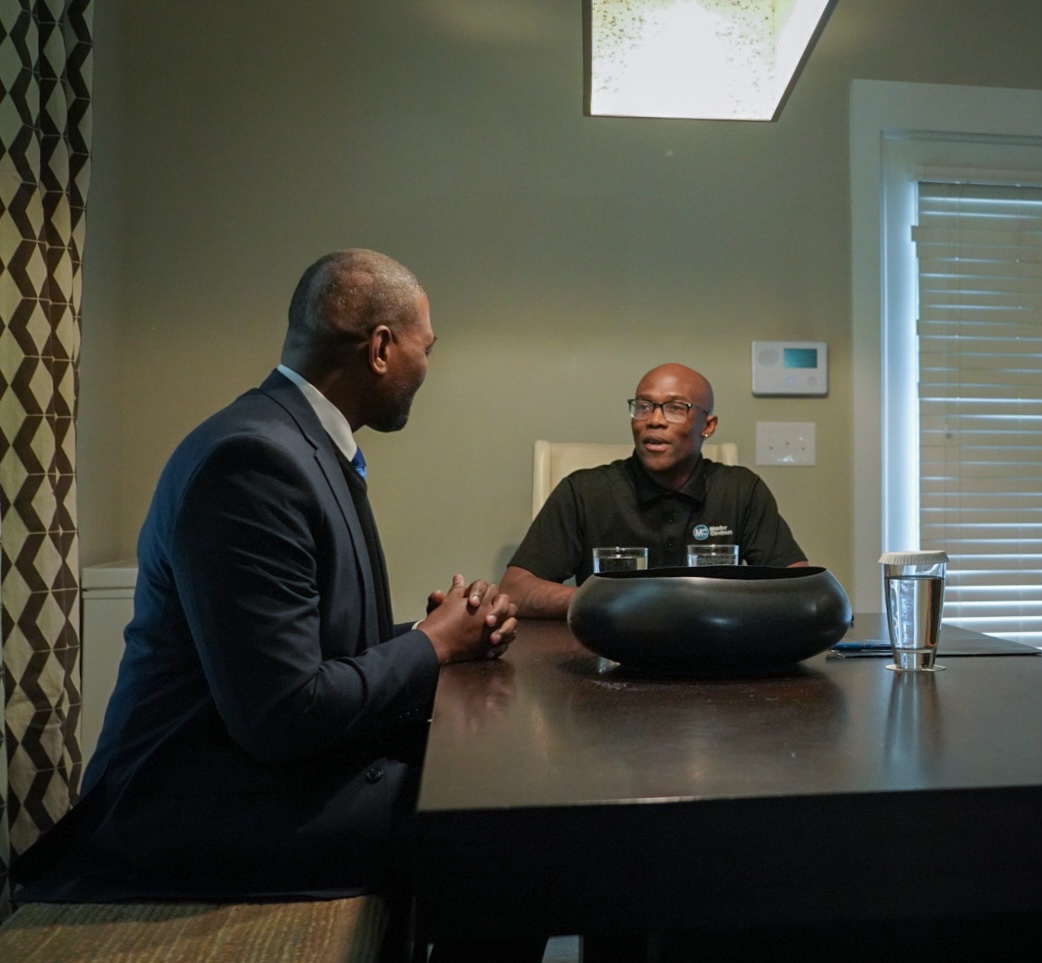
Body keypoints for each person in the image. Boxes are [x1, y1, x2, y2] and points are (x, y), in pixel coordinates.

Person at [13, 249, 518, 902]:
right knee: (501, 831)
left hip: (253, 777)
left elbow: (305, 650)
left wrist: (447, 627)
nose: (428, 366)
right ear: (382, 348)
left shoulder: (294, 440)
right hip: (193, 811)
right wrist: (435, 643)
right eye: (429, 347)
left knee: (486, 788)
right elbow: (285, 712)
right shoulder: (250, 461)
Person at [502, 362, 807, 618]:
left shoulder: (741, 490)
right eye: (643, 407)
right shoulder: (584, 491)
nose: (654, 421)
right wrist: (602, 601)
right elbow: (515, 589)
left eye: (675, 409)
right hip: (609, 659)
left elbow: (799, 586)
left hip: (714, 657)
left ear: (708, 426)